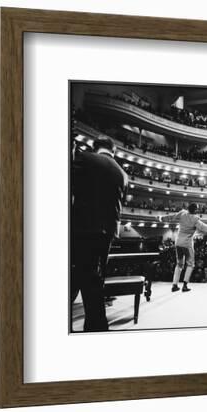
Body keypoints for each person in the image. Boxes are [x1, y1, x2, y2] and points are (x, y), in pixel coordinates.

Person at [71, 136, 128, 331]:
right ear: (113, 151)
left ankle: (97, 327)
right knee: (91, 277)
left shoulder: (85, 158)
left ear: (96, 147)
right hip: (108, 232)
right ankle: (94, 326)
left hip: (83, 226)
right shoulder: (123, 173)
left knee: (85, 276)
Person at [158, 203, 207, 292]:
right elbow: (203, 227)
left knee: (179, 264)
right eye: (197, 209)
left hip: (178, 243)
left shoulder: (182, 213)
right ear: (195, 210)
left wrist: (162, 218)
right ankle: (185, 286)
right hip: (187, 244)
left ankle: (174, 285)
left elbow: (172, 216)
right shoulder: (195, 219)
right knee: (190, 264)